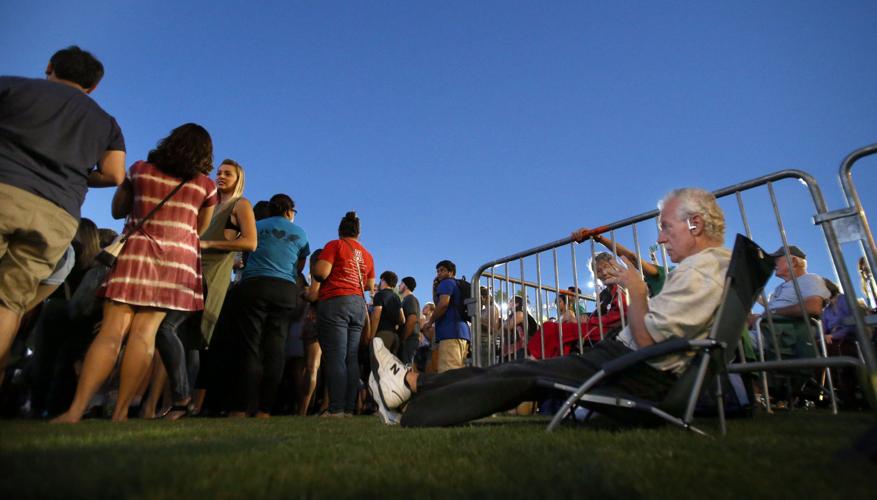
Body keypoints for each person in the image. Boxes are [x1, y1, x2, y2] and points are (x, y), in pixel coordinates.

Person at [369, 187, 731, 427]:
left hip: (635, 370)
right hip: (625, 360)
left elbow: (650, 345)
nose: (661, 236)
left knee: (524, 375)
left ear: (694, 223)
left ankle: (414, 401)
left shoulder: (705, 273)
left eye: (666, 227)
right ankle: (412, 383)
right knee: (519, 369)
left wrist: (636, 291)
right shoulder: (705, 269)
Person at [52, 123, 217, 423]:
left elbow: (118, 210)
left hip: (137, 252)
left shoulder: (140, 170)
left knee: (111, 332)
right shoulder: (206, 187)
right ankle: (121, 412)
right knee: (145, 335)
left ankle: (75, 410)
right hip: (176, 262)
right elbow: (198, 229)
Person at [0, 46, 126, 368]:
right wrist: (78, 176)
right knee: (10, 302)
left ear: (50, 66)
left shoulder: (13, 86)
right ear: (93, 86)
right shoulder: (107, 124)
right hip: (57, 213)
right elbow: (114, 174)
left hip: (6, 188)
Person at [153, 159, 257, 419]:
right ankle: (181, 403)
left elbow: (250, 242)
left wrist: (207, 244)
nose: (220, 176)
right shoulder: (208, 203)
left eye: (227, 173)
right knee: (189, 340)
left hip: (210, 277)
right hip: (187, 271)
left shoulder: (240, 205)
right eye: (219, 172)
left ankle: (181, 399)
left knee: (173, 330)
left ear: (238, 178)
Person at [226, 194, 309, 418]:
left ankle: (241, 407)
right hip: (284, 289)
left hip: (254, 283)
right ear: (290, 211)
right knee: (276, 347)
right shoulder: (300, 233)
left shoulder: (256, 225)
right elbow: (299, 266)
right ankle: (265, 409)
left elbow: (246, 252)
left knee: (250, 345)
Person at [312, 212, 375, 417]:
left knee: (336, 356)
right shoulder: (367, 254)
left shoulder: (334, 245)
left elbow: (321, 273)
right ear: (358, 232)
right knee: (351, 358)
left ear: (340, 230)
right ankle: (348, 408)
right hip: (357, 304)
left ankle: (336, 407)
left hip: (336, 301)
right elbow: (369, 285)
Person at [527, 253, 627, 360]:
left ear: (614, 266)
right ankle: (539, 360)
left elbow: (619, 316)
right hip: (596, 326)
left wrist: (588, 321)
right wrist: (586, 317)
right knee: (549, 326)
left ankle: (534, 361)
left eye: (606, 267)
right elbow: (599, 313)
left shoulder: (622, 286)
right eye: (598, 271)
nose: (603, 272)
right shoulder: (604, 294)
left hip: (607, 330)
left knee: (551, 328)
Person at [423, 260, 471, 372]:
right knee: (459, 373)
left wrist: (430, 322)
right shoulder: (458, 285)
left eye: (442, 270)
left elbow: (443, 304)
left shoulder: (446, 283)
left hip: (450, 334)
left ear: (451, 272)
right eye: (437, 271)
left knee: (448, 373)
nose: (439, 273)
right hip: (463, 334)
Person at [370, 271, 404, 354]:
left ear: (383, 280)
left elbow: (376, 316)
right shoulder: (396, 297)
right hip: (395, 337)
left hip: (382, 335)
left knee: (377, 365)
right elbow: (402, 319)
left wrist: (372, 336)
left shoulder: (379, 295)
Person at [398, 277, 422, 365]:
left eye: (401, 284)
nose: (399, 286)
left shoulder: (410, 299)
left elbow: (412, 319)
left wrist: (404, 338)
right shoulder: (406, 300)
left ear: (405, 285)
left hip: (410, 340)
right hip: (409, 339)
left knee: (407, 367)